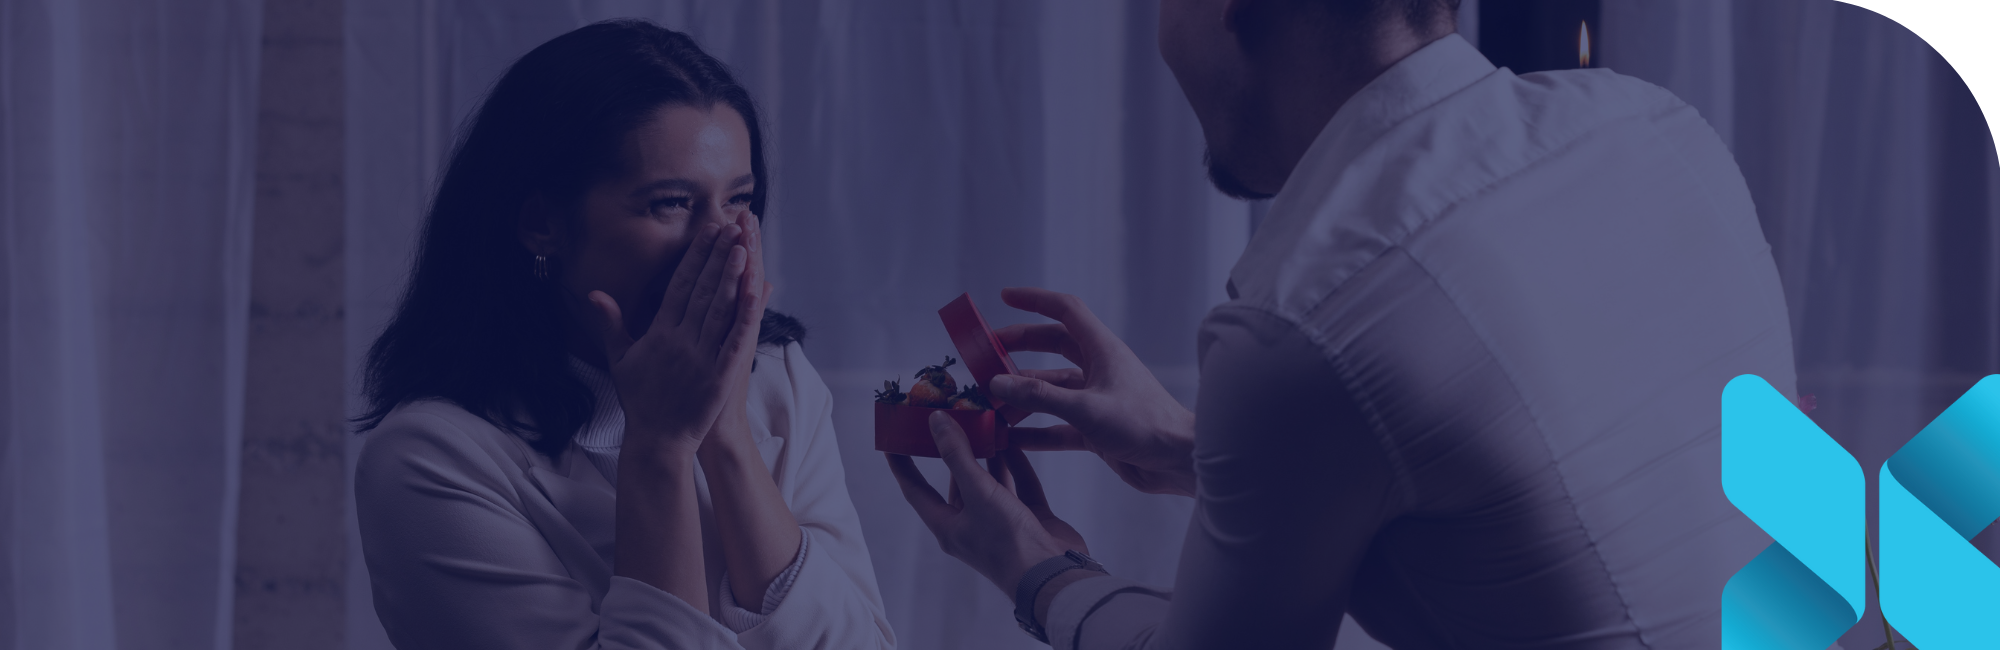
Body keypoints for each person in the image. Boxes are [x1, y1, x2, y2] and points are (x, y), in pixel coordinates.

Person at [889, 0, 1790, 648]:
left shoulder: (1303, 316)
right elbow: (1518, 483)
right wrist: (1188, 448)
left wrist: (1035, 570)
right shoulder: (1661, 128)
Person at [354, 20, 893, 650]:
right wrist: (659, 446)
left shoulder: (783, 381)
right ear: (541, 224)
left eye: (738, 202)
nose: (722, 242)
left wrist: (728, 434)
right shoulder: (431, 457)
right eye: (670, 203)